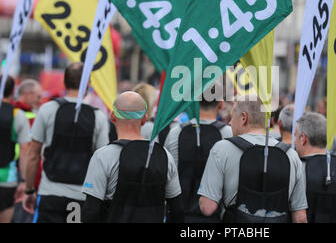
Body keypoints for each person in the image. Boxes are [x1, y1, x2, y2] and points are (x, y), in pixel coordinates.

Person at [198, 95, 308, 223]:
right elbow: (300, 218)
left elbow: (207, 208)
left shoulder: (222, 148)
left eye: (233, 117)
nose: (229, 122)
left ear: (244, 118)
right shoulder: (291, 155)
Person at [22, 63, 110, 223]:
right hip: (81, 195)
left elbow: (33, 154)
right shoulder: (99, 117)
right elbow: (102, 161)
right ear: (88, 84)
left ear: (64, 82)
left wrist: (28, 189)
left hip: (50, 191)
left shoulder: (47, 110)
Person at [81, 92, 184, 223]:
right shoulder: (164, 156)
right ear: (144, 119)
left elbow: (91, 210)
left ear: (113, 117)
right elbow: (177, 209)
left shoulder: (102, 156)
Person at [164, 84, 232, 223]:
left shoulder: (176, 132)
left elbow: (168, 173)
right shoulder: (229, 134)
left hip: (179, 214)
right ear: (220, 103)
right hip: (215, 215)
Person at [294, 112, 336, 223]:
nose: (294, 141)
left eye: (295, 136)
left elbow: (299, 217)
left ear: (303, 138)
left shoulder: (297, 170)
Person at [0, 75, 31, 223]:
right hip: (7, 180)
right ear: (13, 91)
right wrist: (24, 181)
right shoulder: (17, 115)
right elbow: (25, 150)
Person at [12, 79, 42, 224]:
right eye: (38, 97)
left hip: (9, 170)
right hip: (21, 172)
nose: (40, 101)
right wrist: (27, 180)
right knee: (22, 214)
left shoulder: (9, 111)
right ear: (28, 94)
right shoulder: (30, 118)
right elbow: (29, 151)